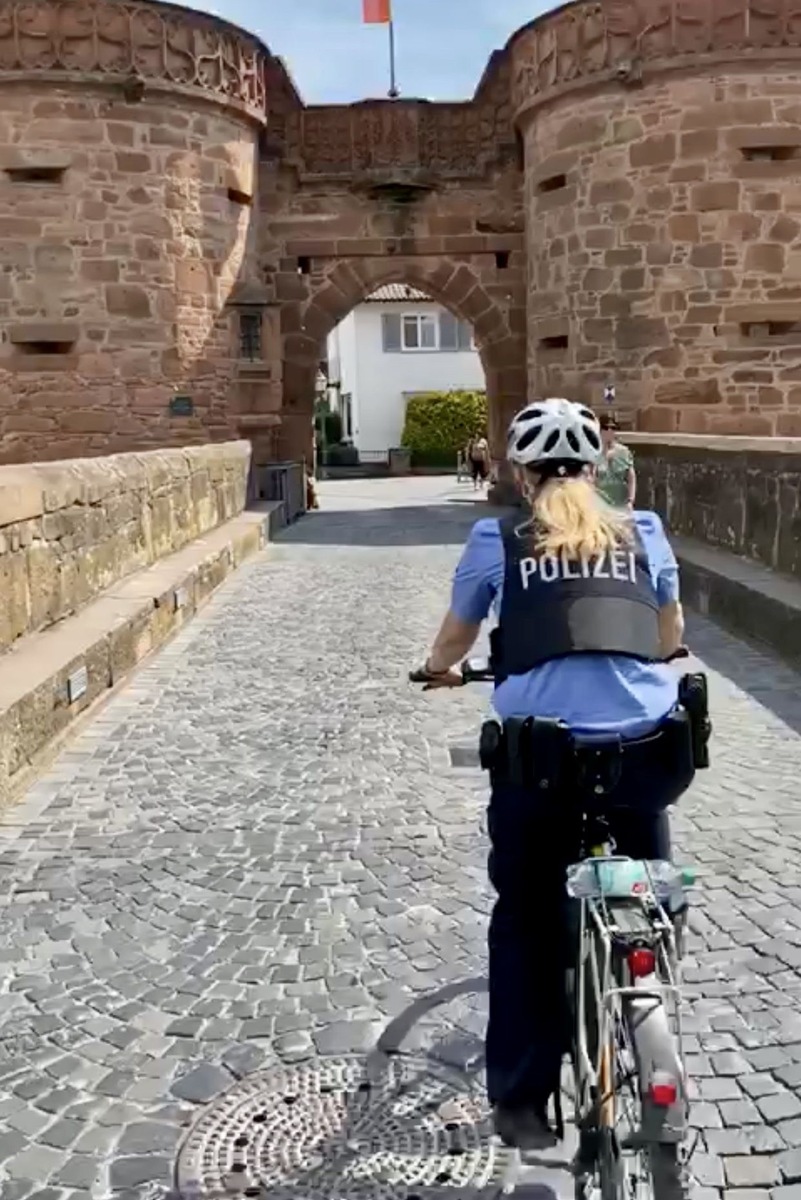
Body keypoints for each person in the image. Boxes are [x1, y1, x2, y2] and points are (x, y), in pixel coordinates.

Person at [412, 398, 697, 1151]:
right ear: (597, 468)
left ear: (519, 471)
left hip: (541, 762)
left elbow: (454, 635)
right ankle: (648, 966)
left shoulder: (496, 535)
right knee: (651, 878)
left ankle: (520, 1103)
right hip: (645, 754)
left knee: (526, 917)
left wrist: (440, 671)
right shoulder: (642, 531)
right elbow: (668, 633)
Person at [594, 413, 636, 509]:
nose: (609, 431)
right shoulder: (593, 453)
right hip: (600, 506)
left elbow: (631, 479)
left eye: (613, 428)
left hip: (620, 505)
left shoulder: (624, 452)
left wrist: (630, 500)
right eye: (605, 428)